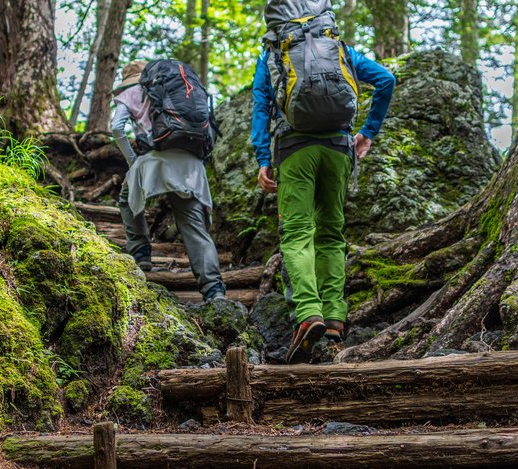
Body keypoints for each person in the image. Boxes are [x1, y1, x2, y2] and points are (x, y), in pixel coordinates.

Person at [251, 17, 396, 362]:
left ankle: (307, 313)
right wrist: (368, 132)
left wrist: (263, 158)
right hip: (338, 148)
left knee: (297, 232)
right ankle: (333, 317)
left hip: (294, 149)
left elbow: (261, 106)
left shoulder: (274, 55)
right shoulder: (340, 50)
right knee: (331, 233)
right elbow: (386, 80)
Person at [111, 60, 227, 301]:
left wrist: (133, 162)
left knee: (126, 199)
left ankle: (140, 254)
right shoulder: (177, 91)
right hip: (190, 164)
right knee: (193, 225)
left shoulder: (130, 93)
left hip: (154, 161)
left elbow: (117, 129)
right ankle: (214, 289)